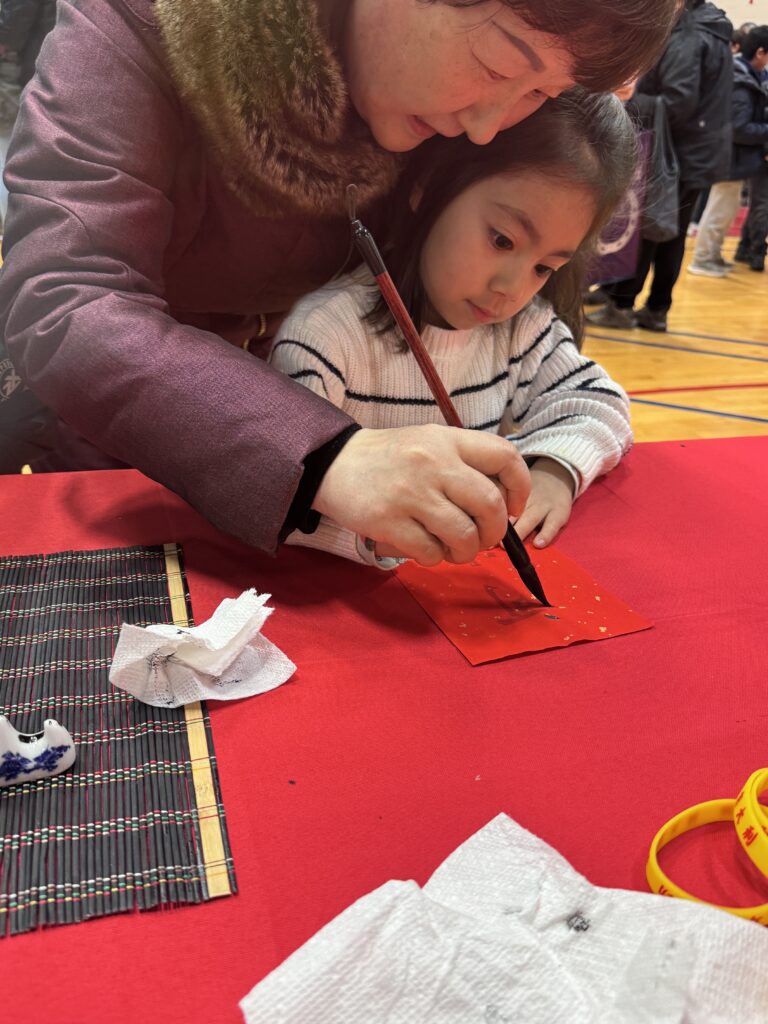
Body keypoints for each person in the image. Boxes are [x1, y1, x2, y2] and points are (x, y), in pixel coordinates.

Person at [0, 0, 679, 569]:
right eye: (499, 64)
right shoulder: (143, 21)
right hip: (126, 440)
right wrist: (327, 457)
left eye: (541, 94)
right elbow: (67, 297)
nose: (485, 128)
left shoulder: (460, 105)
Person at [270, 91, 635, 566]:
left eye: (544, 268)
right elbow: (284, 488)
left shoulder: (521, 330)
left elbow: (600, 402)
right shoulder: (325, 337)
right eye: (502, 240)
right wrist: (376, 532)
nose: (511, 289)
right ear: (429, 187)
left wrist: (554, 470)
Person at [588, 0, 733, 333]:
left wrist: (627, 98)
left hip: (677, 151)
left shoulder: (690, 33)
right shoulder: (709, 26)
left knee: (650, 227)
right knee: (668, 233)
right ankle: (643, 303)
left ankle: (624, 304)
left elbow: (677, 102)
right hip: (695, 150)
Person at [688, 26, 768, 277]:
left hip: (734, 157)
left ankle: (712, 255)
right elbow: (739, 128)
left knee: (725, 209)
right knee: (720, 210)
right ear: (760, 52)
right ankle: (702, 258)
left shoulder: (747, 75)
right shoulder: (741, 82)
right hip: (729, 157)